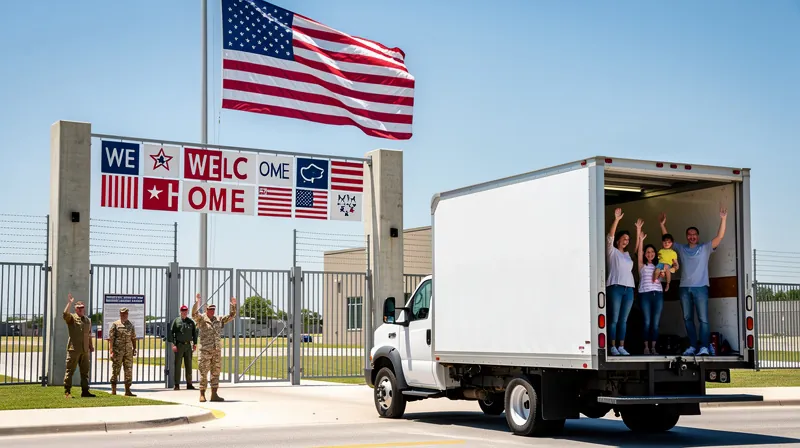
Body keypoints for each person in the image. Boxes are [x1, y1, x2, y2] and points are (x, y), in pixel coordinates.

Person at [659, 206, 728, 356]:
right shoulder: (682, 249)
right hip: (684, 288)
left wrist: (723, 219)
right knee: (687, 318)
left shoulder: (705, 247)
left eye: (694, 235)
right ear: (686, 236)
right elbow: (668, 241)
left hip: (701, 288)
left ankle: (703, 346)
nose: (692, 237)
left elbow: (720, 237)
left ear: (698, 236)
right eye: (689, 235)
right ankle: (692, 345)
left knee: (703, 319)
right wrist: (662, 225)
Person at [606, 208, 640, 356]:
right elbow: (610, 236)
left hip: (629, 289)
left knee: (623, 320)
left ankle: (621, 346)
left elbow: (638, 248)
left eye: (628, 240)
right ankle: (612, 346)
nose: (626, 242)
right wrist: (617, 219)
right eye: (624, 239)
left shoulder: (627, 255)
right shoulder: (611, 251)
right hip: (615, 287)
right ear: (618, 239)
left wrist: (638, 231)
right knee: (614, 318)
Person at [192, 293, 237, 402]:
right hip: (205, 351)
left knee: (215, 372)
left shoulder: (218, 319)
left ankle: (214, 394)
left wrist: (233, 305)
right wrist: (197, 302)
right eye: (210, 309)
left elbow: (231, 316)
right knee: (203, 373)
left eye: (213, 309)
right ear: (206, 309)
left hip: (216, 351)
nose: (212, 311)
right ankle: (202, 394)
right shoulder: (201, 319)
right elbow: (193, 314)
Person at [635, 223, 664, 355]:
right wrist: (641, 239)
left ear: (655, 254)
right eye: (648, 252)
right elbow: (639, 253)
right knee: (647, 322)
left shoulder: (659, 266)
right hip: (645, 295)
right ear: (645, 254)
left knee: (656, 323)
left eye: (652, 252)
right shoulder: (642, 265)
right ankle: (646, 347)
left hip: (657, 294)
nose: (650, 254)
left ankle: (654, 347)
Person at [62, 293, 95, 398]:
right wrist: (69, 303)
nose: (81, 310)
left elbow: (88, 334)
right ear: (75, 309)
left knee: (85, 372)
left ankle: (85, 391)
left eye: (82, 308)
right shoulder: (72, 318)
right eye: (79, 308)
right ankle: (67, 391)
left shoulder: (87, 320)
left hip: (85, 350)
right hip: (74, 349)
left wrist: (91, 345)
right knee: (70, 371)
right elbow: (64, 314)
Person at [109, 307, 137, 396]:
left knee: (128, 370)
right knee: (116, 370)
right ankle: (114, 390)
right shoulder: (115, 324)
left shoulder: (130, 325)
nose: (124, 315)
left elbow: (133, 338)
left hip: (128, 351)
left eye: (125, 313)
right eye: (122, 313)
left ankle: (127, 390)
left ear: (127, 314)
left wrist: (134, 348)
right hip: (118, 351)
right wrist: (111, 350)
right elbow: (111, 338)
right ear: (120, 314)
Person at [169, 304, 197, 390]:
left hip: (188, 345)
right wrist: (173, 344)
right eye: (183, 311)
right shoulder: (176, 321)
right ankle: (177, 384)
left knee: (189, 365)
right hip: (179, 345)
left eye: (186, 311)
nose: (184, 312)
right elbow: (171, 333)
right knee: (177, 365)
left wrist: (195, 344)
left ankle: (189, 383)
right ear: (180, 311)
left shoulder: (191, 322)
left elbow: (194, 333)